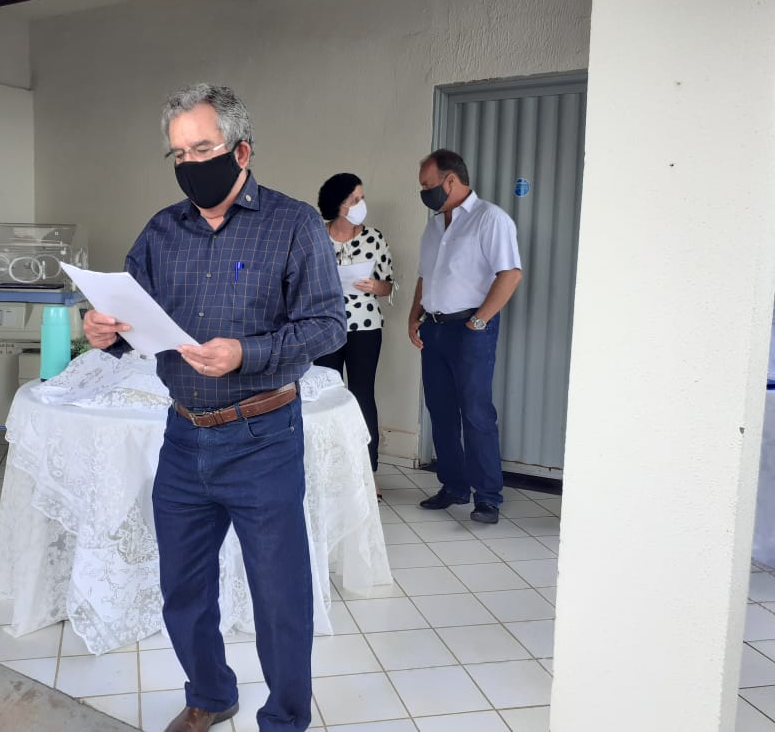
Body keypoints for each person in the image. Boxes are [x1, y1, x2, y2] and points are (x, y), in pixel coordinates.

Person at [82, 83, 345, 732]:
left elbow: (327, 327)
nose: (190, 164)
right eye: (178, 154)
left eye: (202, 149)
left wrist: (245, 354)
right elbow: (131, 317)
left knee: (279, 597)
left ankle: (285, 719)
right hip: (184, 437)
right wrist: (105, 331)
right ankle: (210, 694)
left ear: (241, 151)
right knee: (182, 587)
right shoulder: (160, 231)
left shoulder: (293, 224)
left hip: (263, 436)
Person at [407, 149, 522, 525]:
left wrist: (479, 322)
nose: (424, 192)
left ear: (451, 180)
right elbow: (425, 276)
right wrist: (414, 315)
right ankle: (454, 486)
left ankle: (487, 497)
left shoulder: (490, 219)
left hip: (470, 330)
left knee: (475, 413)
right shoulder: (433, 227)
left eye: (428, 185)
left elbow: (510, 274)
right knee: (440, 412)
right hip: (434, 328)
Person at [314, 173, 395, 485]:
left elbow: (389, 286)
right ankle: (328, 472)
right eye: (355, 199)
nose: (361, 204)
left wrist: (375, 286)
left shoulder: (374, 238)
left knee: (362, 394)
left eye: (362, 198)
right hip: (325, 327)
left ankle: (367, 474)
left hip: (365, 327)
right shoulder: (316, 237)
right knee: (326, 397)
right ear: (339, 204)